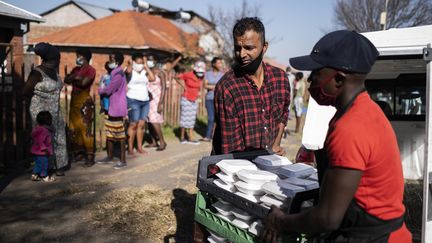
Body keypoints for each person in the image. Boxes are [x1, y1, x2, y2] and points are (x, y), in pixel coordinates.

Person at [260, 30, 412, 243]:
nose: (311, 81)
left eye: (316, 74)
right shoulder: (363, 110)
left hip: (374, 237)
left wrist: (280, 221)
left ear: (338, 79)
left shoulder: (351, 127)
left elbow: (328, 218)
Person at [212, 17, 290, 155]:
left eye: (249, 48)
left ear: (264, 47)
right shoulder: (227, 87)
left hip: (267, 163)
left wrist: (275, 146)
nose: (242, 54)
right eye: (237, 48)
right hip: (235, 169)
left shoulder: (280, 79)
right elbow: (230, 150)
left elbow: (283, 114)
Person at [23, 42, 68, 176]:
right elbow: (26, 92)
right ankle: (45, 168)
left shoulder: (54, 72)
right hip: (41, 114)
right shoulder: (37, 73)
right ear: (50, 59)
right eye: (57, 58)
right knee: (44, 141)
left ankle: (59, 166)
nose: (58, 60)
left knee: (59, 138)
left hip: (56, 112)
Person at [64, 47, 96, 167]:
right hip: (74, 101)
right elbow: (66, 80)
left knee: (85, 128)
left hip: (84, 102)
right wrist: (75, 78)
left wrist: (74, 78)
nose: (77, 58)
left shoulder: (91, 70)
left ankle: (89, 156)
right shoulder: (76, 69)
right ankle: (78, 153)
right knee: (73, 128)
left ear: (85, 57)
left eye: (79, 56)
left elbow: (84, 83)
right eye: (77, 55)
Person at [97, 52, 128, 169]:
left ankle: (123, 160)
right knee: (109, 132)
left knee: (120, 135)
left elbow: (109, 89)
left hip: (116, 107)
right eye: (109, 60)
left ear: (118, 62)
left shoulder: (118, 74)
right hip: (109, 107)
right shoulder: (114, 73)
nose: (109, 62)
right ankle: (109, 156)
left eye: (111, 60)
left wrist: (100, 90)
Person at [125, 52, 155, 155]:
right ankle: (130, 148)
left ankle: (139, 147)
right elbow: (128, 71)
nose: (140, 65)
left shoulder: (144, 72)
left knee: (141, 125)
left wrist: (146, 66)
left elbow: (152, 78)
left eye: (142, 63)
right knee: (133, 124)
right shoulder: (129, 70)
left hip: (145, 101)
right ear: (133, 62)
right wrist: (129, 63)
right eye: (138, 63)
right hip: (133, 100)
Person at [176, 61, 205, 145]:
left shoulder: (201, 76)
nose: (200, 73)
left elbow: (199, 85)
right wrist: (183, 86)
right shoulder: (188, 74)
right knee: (184, 118)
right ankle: (182, 137)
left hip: (194, 99)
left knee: (192, 119)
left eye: (201, 72)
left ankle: (191, 137)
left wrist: (199, 92)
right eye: (199, 71)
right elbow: (177, 78)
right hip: (186, 99)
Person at [146, 55, 167, 151]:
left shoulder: (160, 73)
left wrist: (160, 103)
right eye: (148, 60)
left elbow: (163, 89)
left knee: (154, 121)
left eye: (151, 59)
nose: (149, 61)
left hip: (156, 100)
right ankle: (154, 141)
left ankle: (162, 142)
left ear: (155, 61)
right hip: (147, 99)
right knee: (149, 121)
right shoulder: (147, 72)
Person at [201, 57, 224, 142]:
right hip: (209, 99)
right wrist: (216, 86)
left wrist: (212, 87)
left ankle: (215, 136)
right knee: (211, 118)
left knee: (218, 118)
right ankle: (207, 136)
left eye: (221, 63)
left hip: (219, 99)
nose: (220, 65)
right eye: (218, 63)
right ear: (214, 64)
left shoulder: (222, 75)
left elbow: (222, 86)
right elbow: (205, 85)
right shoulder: (208, 74)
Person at [30, 111, 55, 182]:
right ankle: (45, 176)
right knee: (44, 164)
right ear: (47, 121)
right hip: (42, 152)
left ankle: (34, 174)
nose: (51, 121)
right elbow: (41, 141)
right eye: (50, 119)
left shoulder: (38, 128)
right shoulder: (44, 130)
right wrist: (44, 149)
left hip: (36, 151)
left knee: (38, 164)